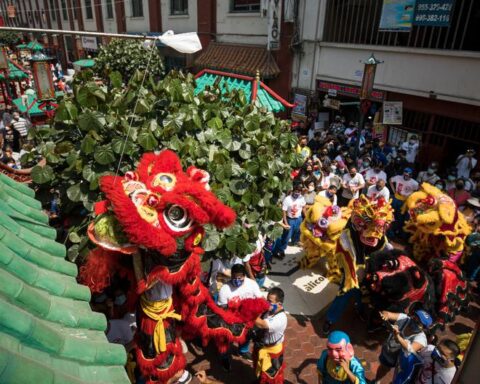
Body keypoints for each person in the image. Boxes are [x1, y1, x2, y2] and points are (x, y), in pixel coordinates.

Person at [217, 264, 263, 364]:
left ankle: (243, 350)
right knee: (225, 340)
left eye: (240, 277)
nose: (237, 280)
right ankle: (224, 357)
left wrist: (256, 317)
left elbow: (260, 300)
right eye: (234, 277)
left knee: (247, 336)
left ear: (244, 276)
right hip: (231, 320)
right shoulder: (225, 289)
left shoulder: (252, 284)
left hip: (248, 318)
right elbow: (222, 309)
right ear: (231, 275)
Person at [376, 309, 431, 382]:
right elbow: (387, 313)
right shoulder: (404, 318)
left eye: (418, 323)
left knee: (397, 379)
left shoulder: (421, 339)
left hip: (402, 363)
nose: (414, 322)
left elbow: (410, 348)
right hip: (389, 352)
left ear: (424, 328)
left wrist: (398, 337)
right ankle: (376, 381)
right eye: (414, 318)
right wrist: (385, 315)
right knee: (383, 368)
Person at [253, 287, 287, 383]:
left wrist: (249, 313)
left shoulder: (280, 318)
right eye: (267, 300)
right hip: (263, 345)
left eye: (270, 301)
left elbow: (261, 324)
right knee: (259, 368)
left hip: (273, 351)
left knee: (271, 376)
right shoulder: (270, 310)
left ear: (279, 304)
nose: (267, 303)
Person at [271, 184, 306, 259]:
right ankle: (281, 249)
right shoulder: (287, 199)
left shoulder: (301, 198)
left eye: (299, 192)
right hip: (290, 219)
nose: (298, 193)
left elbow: (303, 207)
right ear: (293, 191)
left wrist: (306, 217)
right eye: (296, 191)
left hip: (299, 218)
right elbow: (284, 212)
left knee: (297, 232)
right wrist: (286, 222)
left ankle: (295, 242)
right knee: (287, 236)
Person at [389, 168, 419, 239]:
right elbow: (390, 180)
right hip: (396, 198)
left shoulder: (414, 183)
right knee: (391, 214)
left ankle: (397, 231)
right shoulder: (399, 177)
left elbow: (417, 190)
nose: (406, 176)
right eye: (405, 175)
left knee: (400, 216)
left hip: (404, 201)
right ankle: (389, 230)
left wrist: (410, 196)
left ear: (411, 175)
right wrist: (393, 190)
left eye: (408, 175)